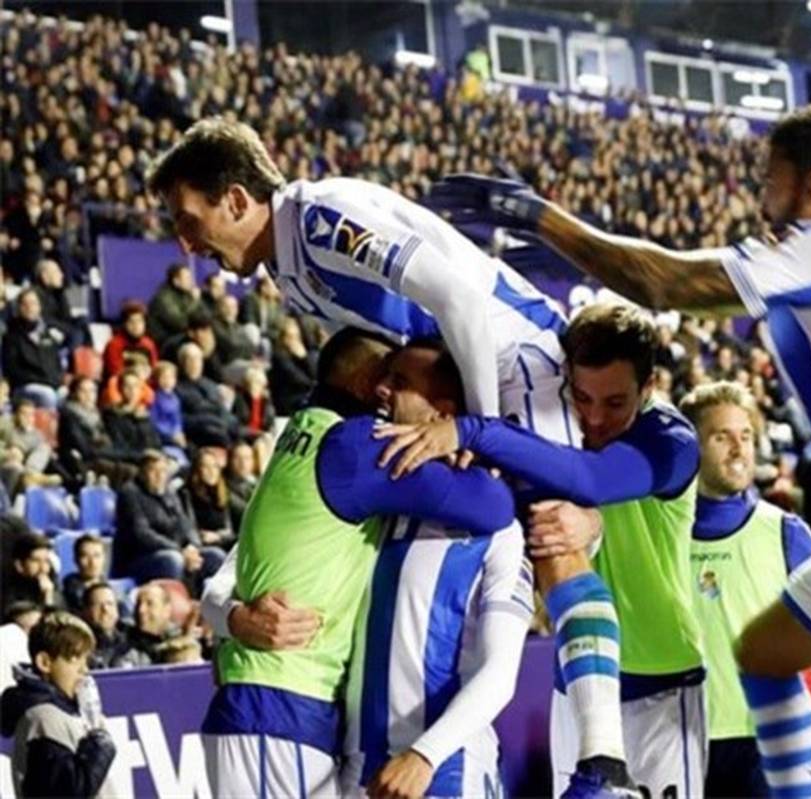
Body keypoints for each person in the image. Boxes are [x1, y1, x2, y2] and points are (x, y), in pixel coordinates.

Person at [431, 103, 811, 797]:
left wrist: (542, 218)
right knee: (767, 652)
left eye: (770, 181)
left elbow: (664, 283)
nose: (760, 198)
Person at [152, 116, 636, 796]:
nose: (184, 242)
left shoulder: (319, 219)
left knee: (552, 534)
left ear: (235, 199)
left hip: (512, 356)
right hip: (462, 378)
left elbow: (461, 300)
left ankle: (603, 761)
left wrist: (475, 432)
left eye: (188, 219)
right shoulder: (287, 270)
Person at [382, 304, 704, 798]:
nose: (595, 418)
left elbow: (591, 479)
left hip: (660, 679)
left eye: (615, 402)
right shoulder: (553, 420)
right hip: (579, 676)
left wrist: (472, 430)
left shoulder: (671, 439)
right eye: (583, 397)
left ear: (649, 387)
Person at [199, 329, 522, 798]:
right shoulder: (357, 451)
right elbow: (495, 503)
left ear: (443, 413)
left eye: (399, 382)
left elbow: (501, 673)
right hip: (284, 708)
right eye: (383, 377)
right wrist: (232, 618)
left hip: (412, 756)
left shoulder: (348, 461)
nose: (385, 391)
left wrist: (426, 754)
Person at [679, 381, 811, 797]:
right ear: (691, 448)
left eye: (745, 436)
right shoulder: (664, 534)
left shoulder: (786, 533)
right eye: (721, 437)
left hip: (777, 743)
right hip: (684, 741)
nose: (738, 449)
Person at [0, 611, 118, 798]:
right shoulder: (43, 718)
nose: (84, 669)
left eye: (85, 660)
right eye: (74, 659)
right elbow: (70, 790)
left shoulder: (66, 712)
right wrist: (100, 745)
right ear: (45, 662)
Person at [112, 449, 224, 591]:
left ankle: (208, 603)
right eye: (153, 471)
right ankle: (173, 602)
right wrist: (179, 550)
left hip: (176, 550)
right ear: (141, 473)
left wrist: (193, 547)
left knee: (216, 556)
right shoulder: (129, 493)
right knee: (174, 559)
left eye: (163, 471)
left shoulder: (168, 492)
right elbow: (142, 534)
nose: (160, 476)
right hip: (141, 557)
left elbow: (185, 524)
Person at [1, 288, 66, 406]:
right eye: (25, 304)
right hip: (26, 386)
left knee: (66, 395)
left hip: (51, 383)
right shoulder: (12, 336)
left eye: (33, 303)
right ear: (19, 308)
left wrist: (57, 381)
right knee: (47, 395)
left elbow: (56, 364)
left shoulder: (48, 334)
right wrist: (42, 380)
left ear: (39, 307)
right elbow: (13, 370)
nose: (30, 307)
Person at [79, 583, 133, 670]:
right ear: (86, 610)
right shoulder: (79, 646)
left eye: (110, 604)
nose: (105, 609)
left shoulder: (131, 639)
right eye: (97, 604)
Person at [3, 531, 59, 613]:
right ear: (19, 565)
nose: (43, 568)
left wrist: (49, 596)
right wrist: (47, 600)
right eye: (35, 561)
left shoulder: (52, 584)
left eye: (46, 561)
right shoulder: (7, 593)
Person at [102, 300, 158, 381]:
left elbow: (154, 370)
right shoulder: (114, 344)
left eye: (140, 321)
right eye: (131, 322)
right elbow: (115, 372)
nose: (136, 326)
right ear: (125, 324)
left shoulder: (149, 344)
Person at [147, 263, 200, 343]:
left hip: (182, 336)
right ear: (176, 281)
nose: (191, 281)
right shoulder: (163, 298)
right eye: (187, 278)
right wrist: (194, 301)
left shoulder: (185, 294)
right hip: (166, 340)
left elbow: (202, 318)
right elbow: (181, 324)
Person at [62, 534, 107, 614]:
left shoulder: (111, 591)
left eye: (97, 556)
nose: (92, 562)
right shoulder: (65, 594)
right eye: (85, 556)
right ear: (76, 560)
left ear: (104, 558)